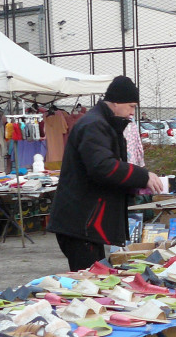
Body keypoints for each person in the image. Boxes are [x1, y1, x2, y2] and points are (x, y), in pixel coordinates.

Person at [47, 75, 165, 270]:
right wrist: (142, 176)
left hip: (85, 223)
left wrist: (133, 184)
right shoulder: (95, 125)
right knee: (90, 279)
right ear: (116, 102)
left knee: (95, 274)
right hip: (81, 223)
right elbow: (103, 167)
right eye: (131, 106)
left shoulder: (102, 124)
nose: (132, 113)